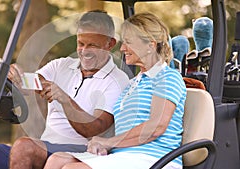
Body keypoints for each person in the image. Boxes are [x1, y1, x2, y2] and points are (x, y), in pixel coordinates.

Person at [0, 10, 129, 169]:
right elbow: (32, 84)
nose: (84, 51)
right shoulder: (61, 65)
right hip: (46, 147)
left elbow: (94, 129)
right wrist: (16, 77)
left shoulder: (117, 80)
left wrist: (65, 100)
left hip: (81, 153)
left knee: (24, 147)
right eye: (80, 43)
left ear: (110, 44)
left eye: (92, 45)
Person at [43, 12, 187, 169]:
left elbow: (156, 127)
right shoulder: (133, 84)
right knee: (56, 160)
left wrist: (109, 142)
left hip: (153, 158)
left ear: (150, 46)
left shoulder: (167, 77)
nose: (123, 48)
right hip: (124, 157)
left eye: (129, 43)